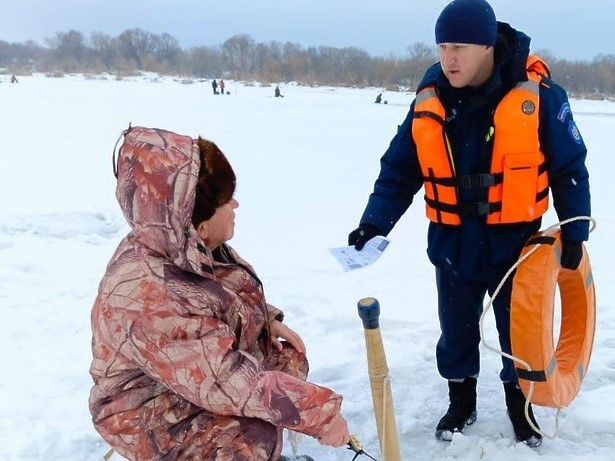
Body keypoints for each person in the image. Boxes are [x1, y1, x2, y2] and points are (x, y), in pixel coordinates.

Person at [347, 0, 590, 448]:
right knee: (455, 328)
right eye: (442, 47)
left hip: (516, 245)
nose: (448, 58)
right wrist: (373, 223)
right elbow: (400, 169)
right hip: (453, 243)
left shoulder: (538, 95)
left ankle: (521, 407)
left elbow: (569, 167)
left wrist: (574, 229)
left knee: (517, 333)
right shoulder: (430, 100)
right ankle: (461, 401)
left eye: (458, 46)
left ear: (485, 47)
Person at [90, 126, 350, 460]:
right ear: (196, 223)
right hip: (144, 407)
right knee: (251, 437)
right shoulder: (150, 293)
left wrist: (266, 320)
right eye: (226, 201)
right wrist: (320, 415)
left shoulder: (185, 245)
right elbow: (223, 379)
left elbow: (217, 292)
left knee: (285, 360)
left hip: (188, 375)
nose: (236, 204)